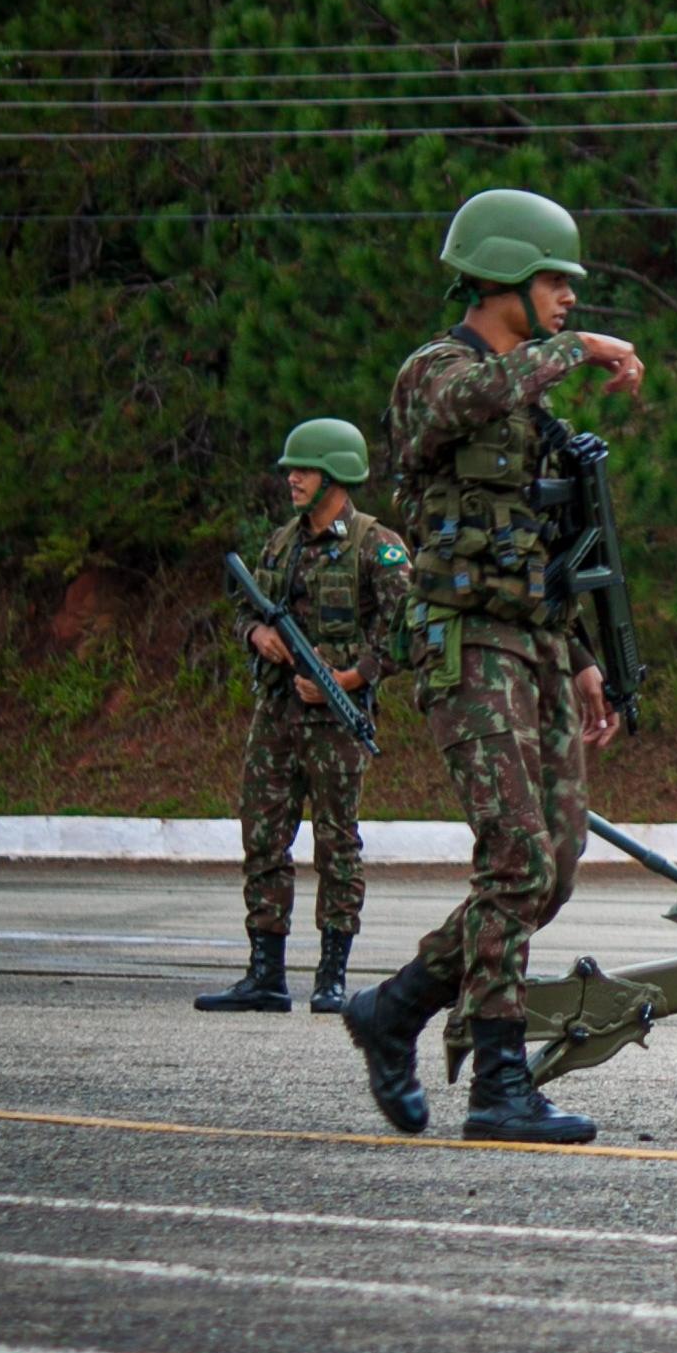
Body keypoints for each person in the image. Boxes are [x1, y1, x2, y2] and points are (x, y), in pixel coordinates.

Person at [339, 187, 645, 1145]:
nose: (567, 300)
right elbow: (461, 402)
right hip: (467, 645)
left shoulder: (532, 406)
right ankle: (500, 1088)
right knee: (513, 854)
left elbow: (543, 541)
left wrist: (586, 658)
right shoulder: (441, 370)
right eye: (557, 282)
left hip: (541, 645)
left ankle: (394, 1008)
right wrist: (575, 353)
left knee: (549, 866)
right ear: (508, 274)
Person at [199, 418, 410, 1017]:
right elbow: (243, 608)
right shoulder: (279, 544)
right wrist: (257, 632)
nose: (292, 479)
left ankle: (332, 976)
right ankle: (265, 974)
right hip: (276, 715)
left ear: (335, 476)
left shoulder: (376, 546)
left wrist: (351, 678)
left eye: (304, 470)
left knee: (337, 844)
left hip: (335, 723)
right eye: (292, 469)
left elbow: (405, 633)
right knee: (262, 837)